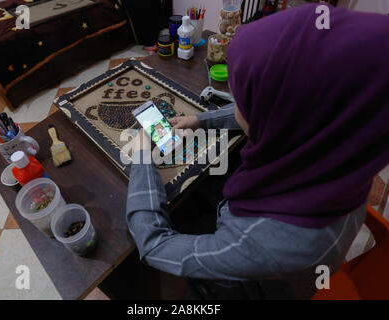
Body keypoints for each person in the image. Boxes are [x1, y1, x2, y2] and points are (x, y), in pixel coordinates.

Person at [126, 4, 389, 299]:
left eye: (242, 98)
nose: (235, 105)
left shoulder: (263, 241)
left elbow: (154, 247)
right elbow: (275, 105)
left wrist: (141, 159)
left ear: (279, 119)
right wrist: (199, 119)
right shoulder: (346, 144)